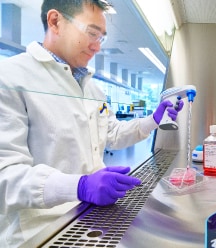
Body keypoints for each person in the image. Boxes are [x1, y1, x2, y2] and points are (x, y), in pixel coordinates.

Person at [0, 0, 183, 246]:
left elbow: (112, 134)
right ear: (55, 21)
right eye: (91, 33)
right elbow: (6, 177)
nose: (97, 46)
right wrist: (79, 186)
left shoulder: (92, 89)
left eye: (102, 37)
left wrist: (154, 120)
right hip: (39, 234)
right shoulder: (10, 77)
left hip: (89, 219)